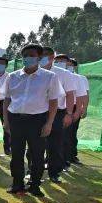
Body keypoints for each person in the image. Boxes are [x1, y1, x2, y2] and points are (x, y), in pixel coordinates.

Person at [2, 43, 63, 197]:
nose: (28, 58)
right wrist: (6, 121)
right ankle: (17, 184)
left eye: (32, 55)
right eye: (25, 55)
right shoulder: (13, 76)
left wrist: (49, 123)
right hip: (16, 119)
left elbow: (53, 102)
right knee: (16, 154)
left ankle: (35, 185)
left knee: (37, 155)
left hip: (38, 120)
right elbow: (7, 100)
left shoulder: (49, 77)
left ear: (39, 58)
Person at [40, 47, 77, 184]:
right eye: (40, 55)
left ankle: (54, 173)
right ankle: (33, 171)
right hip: (38, 112)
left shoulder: (64, 74)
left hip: (58, 113)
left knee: (55, 145)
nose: (42, 58)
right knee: (35, 144)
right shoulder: (34, 72)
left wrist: (69, 113)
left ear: (52, 57)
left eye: (45, 56)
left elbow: (70, 95)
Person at [63, 57, 88, 166]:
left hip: (73, 107)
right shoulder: (57, 75)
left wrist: (83, 108)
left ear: (74, 66)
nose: (68, 66)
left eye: (71, 65)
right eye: (66, 64)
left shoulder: (80, 78)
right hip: (60, 107)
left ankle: (70, 156)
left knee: (71, 133)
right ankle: (53, 158)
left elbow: (84, 95)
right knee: (57, 134)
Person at [0, 56, 11, 155]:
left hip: (5, 103)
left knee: (6, 125)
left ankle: (7, 148)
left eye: (2, 63)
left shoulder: (10, 76)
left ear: (6, 65)